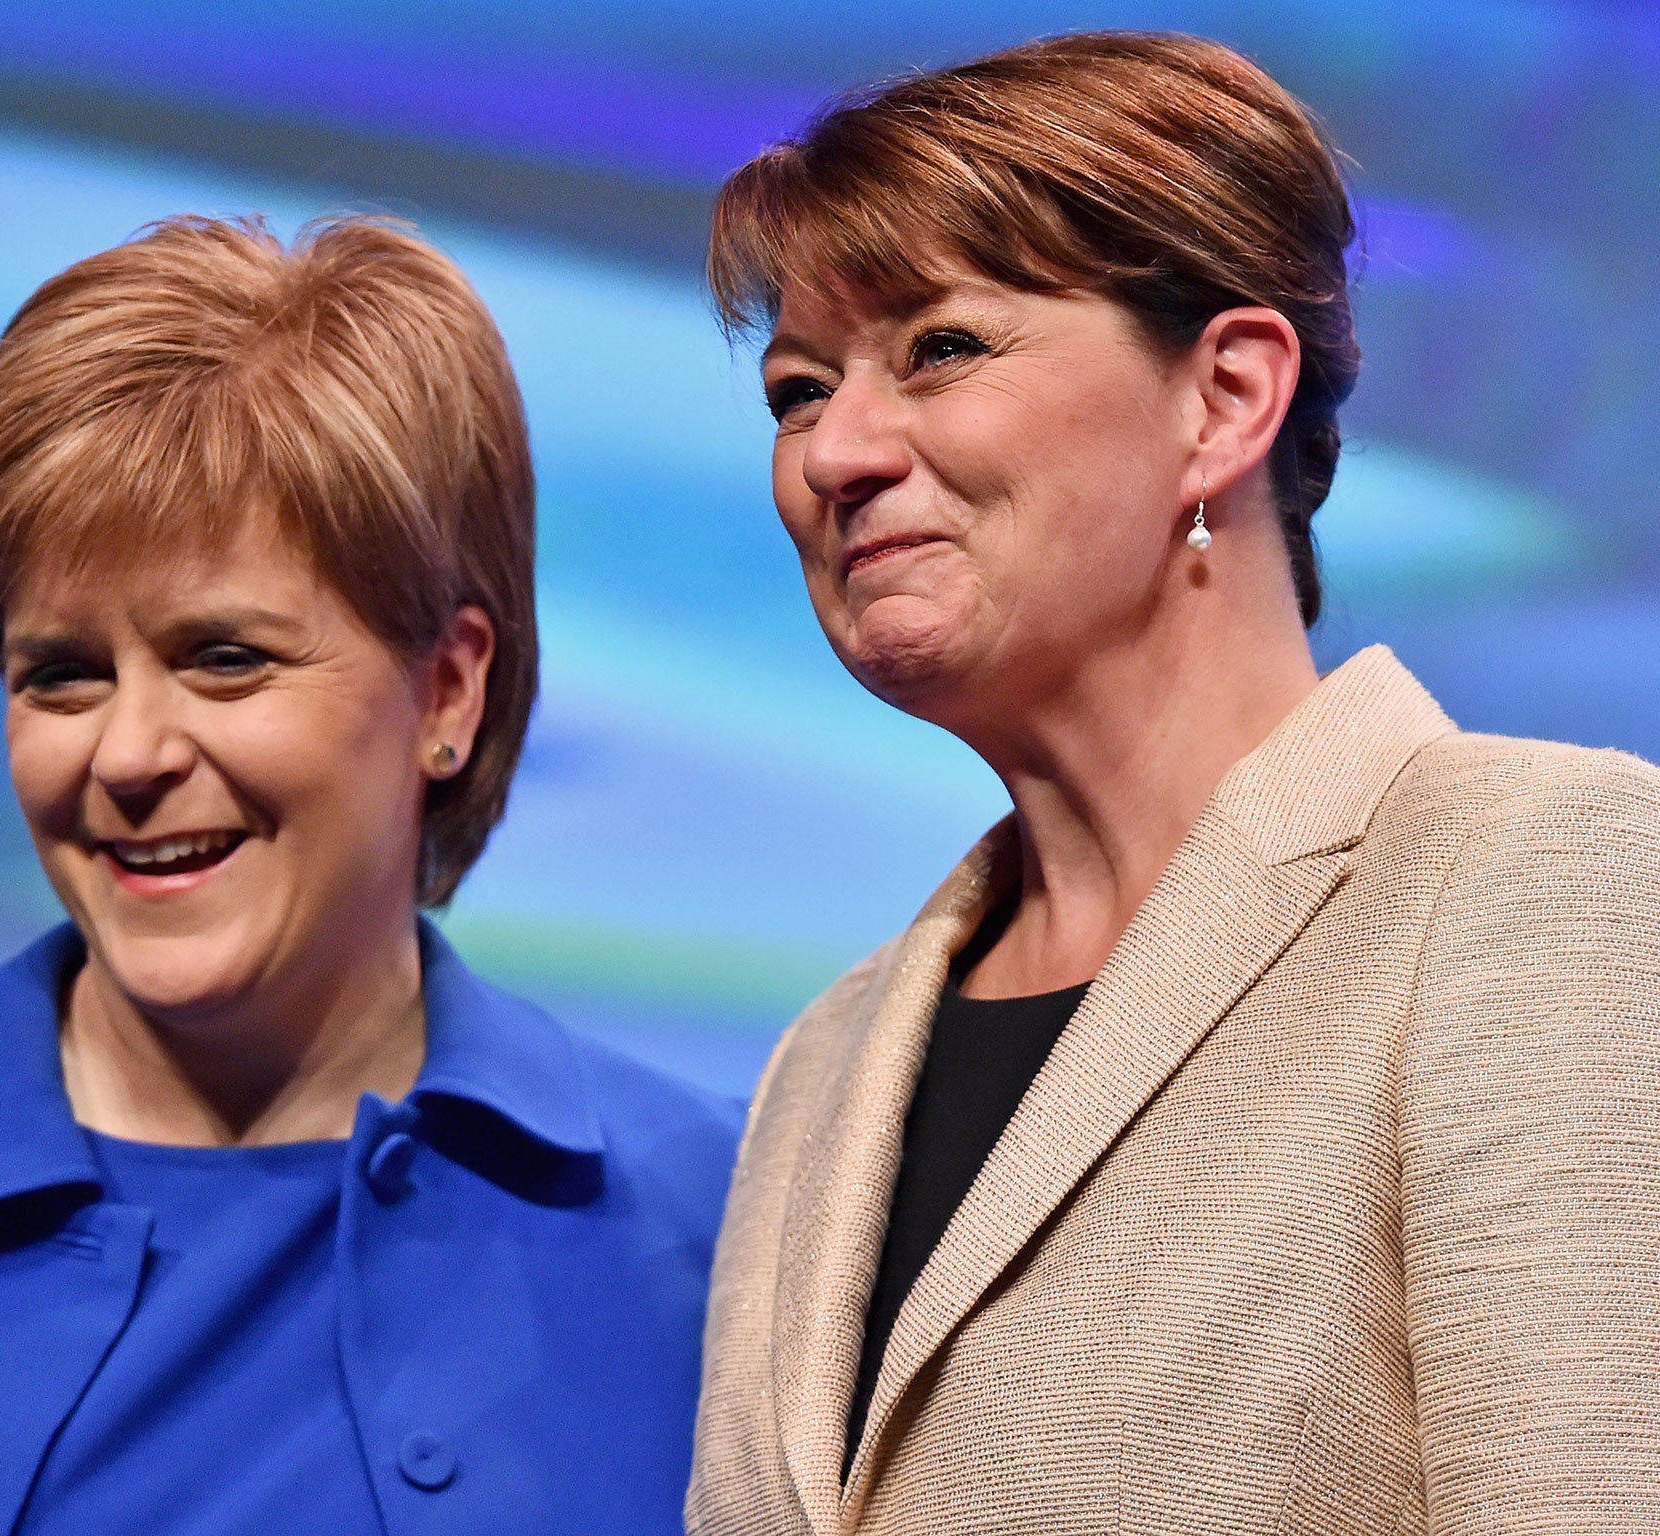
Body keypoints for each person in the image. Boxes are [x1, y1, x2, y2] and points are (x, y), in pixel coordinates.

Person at [0, 214, 742, 1535]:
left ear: (448, 687)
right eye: (63, 676)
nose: (131, 756)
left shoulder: (727, 1228)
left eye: (225, 658)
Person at [687, 31, 1660, 1534]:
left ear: (1224, 396)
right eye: (797, 391)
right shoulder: (825, 1063)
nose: (838, 453)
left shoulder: (1529, 879)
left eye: (941, 348)